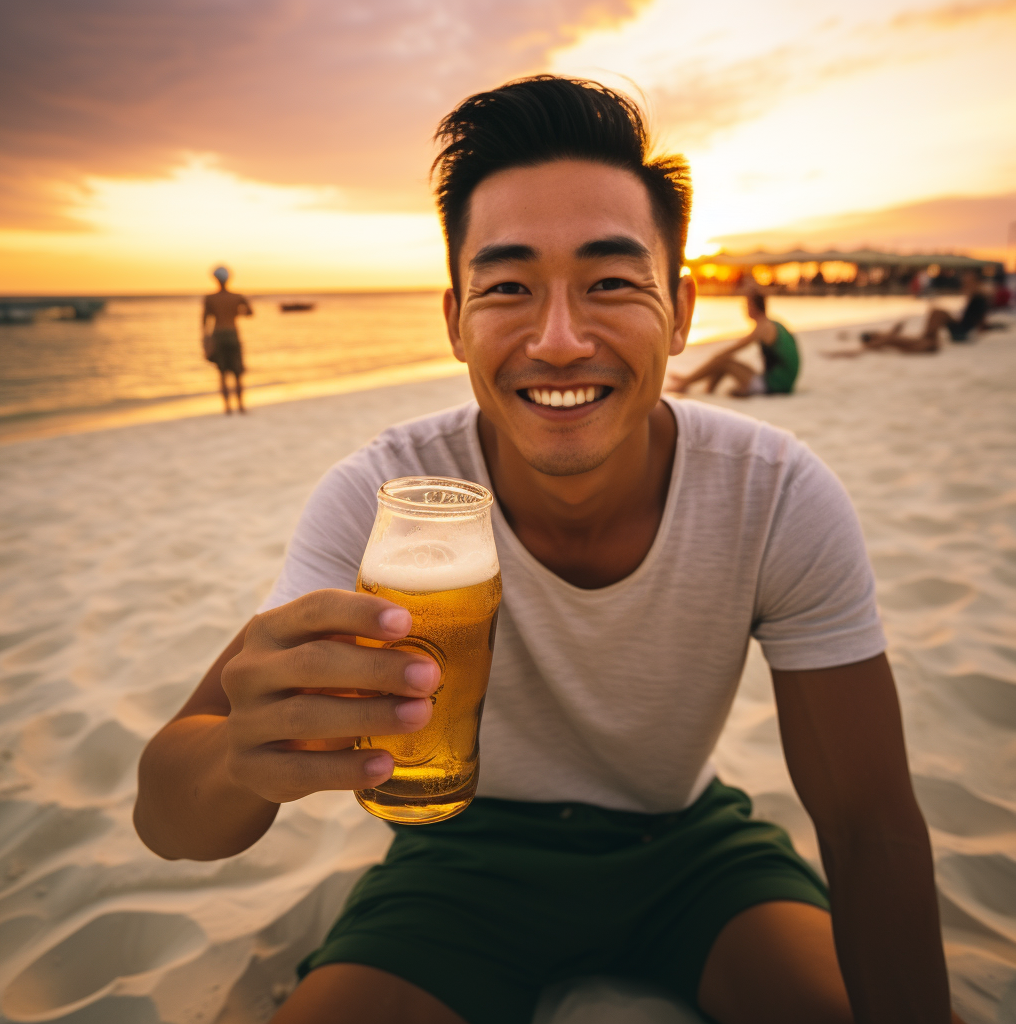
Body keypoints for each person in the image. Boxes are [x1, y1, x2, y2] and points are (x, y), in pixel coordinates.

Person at [135, 76, 963, 1024]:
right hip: (459, 858)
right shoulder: (385, 496)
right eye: (508, 288)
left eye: (611, 281)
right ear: (455, 320)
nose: (560, 340)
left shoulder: (771, 491)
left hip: (687, 847)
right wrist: (246, 758)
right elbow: (166, 817)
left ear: (684, 311)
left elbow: (869, 828)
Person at [665, 291, 799, 397]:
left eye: (746, 305)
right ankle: (703, 388)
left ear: (754, 306)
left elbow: (735, 348)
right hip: (781, 383)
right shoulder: (774, 324)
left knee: (724, 361)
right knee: (724, 360)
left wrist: (717, 357)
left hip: (774, 386)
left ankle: (685, 383)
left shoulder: (763, 327)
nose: (745, 309)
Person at [853, 271, 988, 354]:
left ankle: (927, 336)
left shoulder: (978, 297)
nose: (964, 284)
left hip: (963, 333)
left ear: (976, 282)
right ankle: (927, 336)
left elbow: (979, 321)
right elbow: (976, 320)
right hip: (961, 331)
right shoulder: (976, 297)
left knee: (937, 311)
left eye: (968, 282)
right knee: (936, 311)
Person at [202, 265, 252, 414]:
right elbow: (249, 312)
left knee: (222, 373)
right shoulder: (237, 297)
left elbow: (204, 320)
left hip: (218, 335)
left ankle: (228, 408)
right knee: (237, 373)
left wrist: (205, 340)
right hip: (232, 333)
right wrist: (236, 312)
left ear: (216, 279)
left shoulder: (210, 298)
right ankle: (241, 406)